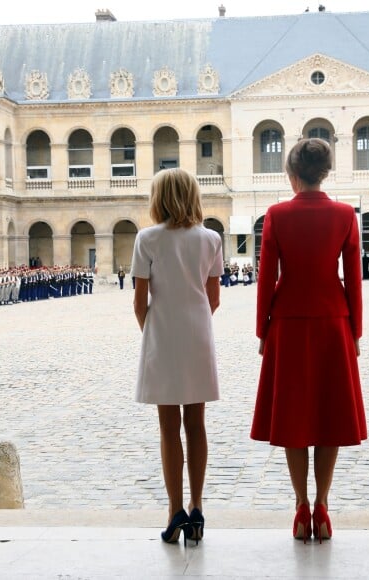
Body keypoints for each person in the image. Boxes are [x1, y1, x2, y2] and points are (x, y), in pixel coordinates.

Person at [251, 138, 366, 543]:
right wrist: (355, 331)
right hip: (333, 320)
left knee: (294, 415)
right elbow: (354, 277)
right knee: (330, 415)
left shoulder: (277, 215)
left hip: (288, 322)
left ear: (292, 174)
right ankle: (322, 504)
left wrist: (263, 329)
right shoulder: (344, 215)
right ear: (326, 172)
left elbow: (266, 278)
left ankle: (300, 506)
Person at [131, 168, 223, 547]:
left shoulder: (147, 238)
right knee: (197, 425)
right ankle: (197, 505)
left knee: (168, 429)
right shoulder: (211, 238)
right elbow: (214, 298)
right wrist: (194, 326)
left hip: (163, 336)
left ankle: (174, 512)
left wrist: (154, 335)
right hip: (198, 335)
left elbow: (139, 302)